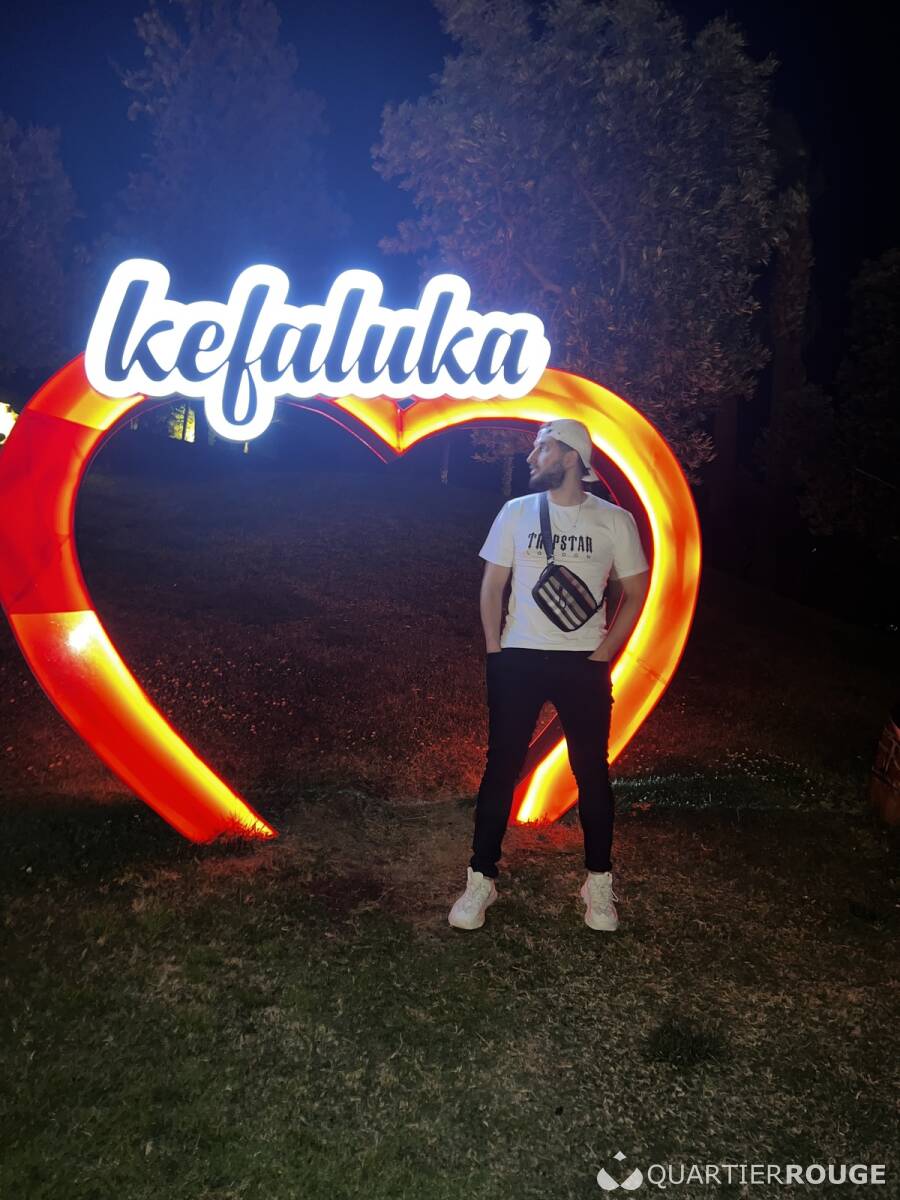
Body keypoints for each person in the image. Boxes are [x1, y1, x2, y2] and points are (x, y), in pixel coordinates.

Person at [448, 419, 650, 932]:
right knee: (501, 767)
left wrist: (604, 654)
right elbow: (492, 585)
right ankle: (481, 877)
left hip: (582, 663)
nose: (532, 456)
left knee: (591, 773)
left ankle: (598, 882)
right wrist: (495, 650)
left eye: (542, 448)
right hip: (517, 658)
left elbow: (636, 591)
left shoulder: (614, 520)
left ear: (570, 456)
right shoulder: (515, 512)